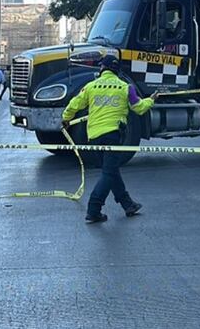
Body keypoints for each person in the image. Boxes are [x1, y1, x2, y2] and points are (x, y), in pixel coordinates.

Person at [62, 55, 153, 223]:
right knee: (109, 172)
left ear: (102, 68)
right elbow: (139, 108)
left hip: (94, 137)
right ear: (116, 70)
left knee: (110, 171)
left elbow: (74, 104)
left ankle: (128, 204)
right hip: (114, 135)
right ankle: (93, 209)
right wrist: (151, 100)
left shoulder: (90, 86)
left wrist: (66, 118)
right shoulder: (126, 87)